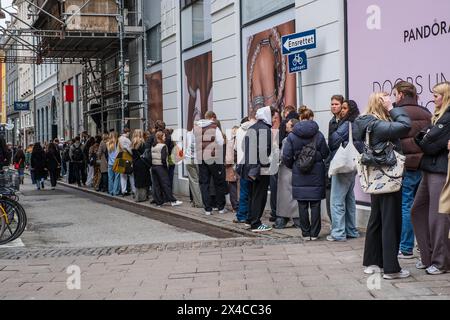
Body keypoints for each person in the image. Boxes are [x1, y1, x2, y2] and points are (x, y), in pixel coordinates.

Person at [354, 92, 412, 280]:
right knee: (390, 221)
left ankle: (373, 263)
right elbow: (405, 126)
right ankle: (391, 269)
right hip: (388, 178)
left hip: (376, 179)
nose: (390, 101)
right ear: (381, 104)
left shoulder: (364, 123)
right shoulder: (378, 125)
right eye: (386, 100)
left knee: (376, 219)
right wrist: (391, 108)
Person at [412, 81, 450, 275]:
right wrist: (425, 137)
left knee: (438, 217)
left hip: (440, 171)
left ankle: (441, 261)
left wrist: (425, 137)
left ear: (445, 96)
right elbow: (423, 139)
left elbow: (430, 144)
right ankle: (428, 256)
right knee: (417, 210)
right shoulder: (438, 117)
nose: (433, 98)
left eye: (436, 95)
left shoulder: (448, 117)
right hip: (428, 168)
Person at [392, 81, 432, 258]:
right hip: (423, 164)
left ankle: (406, 247)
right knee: (423, 206)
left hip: (405, 166)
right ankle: (422, 246)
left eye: (395, 94)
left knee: (407, 205)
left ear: (400, 94)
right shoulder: (426, 112)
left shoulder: (396, 113)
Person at [282, 110, 330, 240]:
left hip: (299, 172)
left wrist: (294, 164)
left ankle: (305, 233)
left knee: (302, 205)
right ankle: (314, 234)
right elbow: (326, 153)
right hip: (316, 173)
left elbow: (286, 155)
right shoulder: (318, 135)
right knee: (315, 204)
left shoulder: (292, 136)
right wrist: (317, 157)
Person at [327, 100, 362, 242]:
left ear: (350, 110)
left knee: (336, 200)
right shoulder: (358, 123)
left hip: (342, 164)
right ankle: (351, 230)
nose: (341, 110)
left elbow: (333, 141)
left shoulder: (346, 124)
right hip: (352, 164)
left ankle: (338, 232)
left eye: (345, 108)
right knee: (349, 199)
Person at [241, 106, 274, 232]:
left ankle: (250, 219)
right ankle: (256, 223)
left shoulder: (251, 127)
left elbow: (244, 146)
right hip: (260, 167)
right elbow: (265, 150)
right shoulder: (265, 129)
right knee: (259, 195)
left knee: (252, 195)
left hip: (249, 166)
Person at [194, 111, 226, 215]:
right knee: (218, 182)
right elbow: (221, 142)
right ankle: (220, 207)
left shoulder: (197, 128)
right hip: (213, 157)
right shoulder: (214, 127)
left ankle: (208, 209)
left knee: (204, 183)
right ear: (212, 118)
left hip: (201, 158)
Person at [273, 118, 300, 229]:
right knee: (294, 197)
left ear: (293, 127)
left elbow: (284, 156)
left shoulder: (287, 139)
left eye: (288, 125)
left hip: (286, 170)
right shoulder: (300, 138)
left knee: (284, 197)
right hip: (296, 170)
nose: (286, 126)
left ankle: (281, 221)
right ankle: (298, 221)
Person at [325, 95, 345, 222]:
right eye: (332, 104)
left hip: (344, 160)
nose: (333, 106)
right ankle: (335, 222)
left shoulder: (346, 121)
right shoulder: (331, 122)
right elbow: (330, 144)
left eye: (336, 104)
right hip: (333, 160)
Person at [234, 116, 256, 224]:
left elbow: (235, 147)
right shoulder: (254, 130)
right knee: (251, 192)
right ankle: (247, 214)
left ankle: (241, 214)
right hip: (250, 164)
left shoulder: (239, 130)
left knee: (243, 191)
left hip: (240, 163)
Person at [151, 131, 182, 207]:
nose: (165, 138)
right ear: (161, 137)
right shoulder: (163, 146)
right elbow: (163, 158)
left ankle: (159, 202)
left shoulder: (153, 145)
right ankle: (173, 201)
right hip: (161, 167)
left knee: (157, 185)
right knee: (166, 184)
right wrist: (166, 167)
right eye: (164, 136)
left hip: (154, 167)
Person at [185, 127, 203, 208]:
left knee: (193, 182)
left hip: (188, 158)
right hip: (197, 159)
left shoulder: (188, 134)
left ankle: (197, 202)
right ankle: (202, 202)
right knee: (202, 180)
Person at [131, 129, 151, 202]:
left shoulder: (133, 143)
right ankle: (143, 197)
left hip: (135, 163)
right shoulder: (142, 143)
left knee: (138, 180)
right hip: (142, 163)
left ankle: (138, 197)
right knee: (144, 180)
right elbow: (146, 154)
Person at [269, 110, 282, 222]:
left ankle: (280, 213)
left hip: (281, 163)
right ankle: (274, 212)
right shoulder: (269, 130)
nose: (275, 120)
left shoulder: (281, 130)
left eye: (277, 117)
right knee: (274, 189)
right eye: (274, 117)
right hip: (272, 163)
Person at [225, 126, 240, 213]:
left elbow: (228, 155)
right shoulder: (239, 139)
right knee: (237, 186)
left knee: (232, 187)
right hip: (237, 164)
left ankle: (235, 206)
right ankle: (237, 206)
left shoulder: (230, 139)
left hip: (230, 165)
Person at [118, 128, 135, 197]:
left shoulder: (119, 138)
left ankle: (123, 190)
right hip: (127, 157)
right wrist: (133, 154)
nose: (129, 134)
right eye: (129, 133)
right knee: (131, 174)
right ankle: (133, 190)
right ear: (127, 132)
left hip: (121, 156)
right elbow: (129, 149)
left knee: (123, 174)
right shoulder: (126, 139)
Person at [107, 132, 121, 196]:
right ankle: (115, 191)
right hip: (116, 162)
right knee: (117, 177)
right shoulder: (117, 143)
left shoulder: (107, 143)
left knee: (110, 178)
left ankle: (111, 191)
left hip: (110, 163)